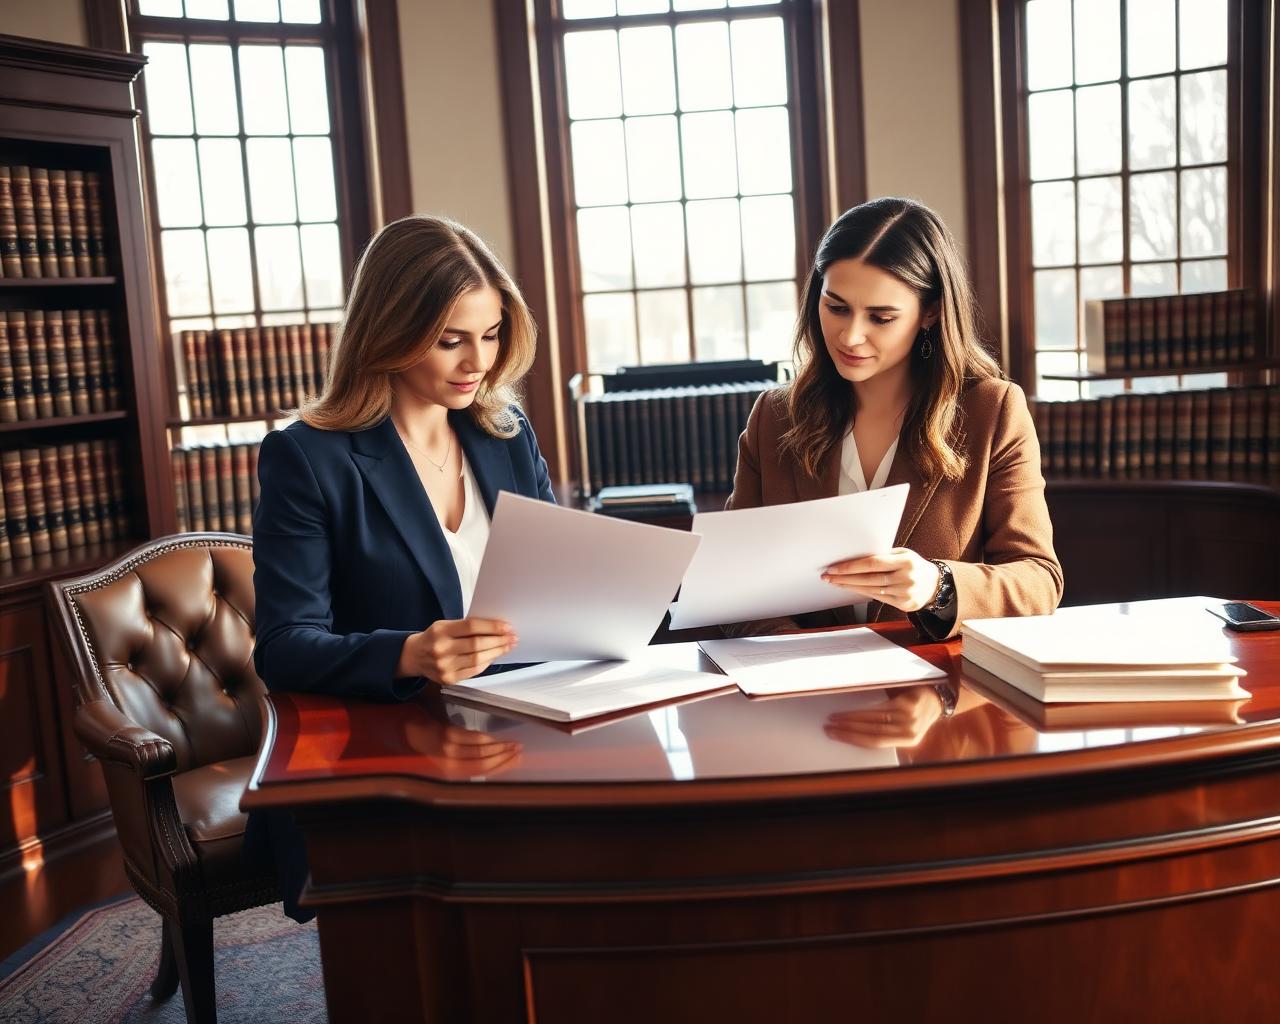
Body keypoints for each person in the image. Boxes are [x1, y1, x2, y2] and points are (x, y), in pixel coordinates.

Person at [248, 214, 554, 920]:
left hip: (526, 719)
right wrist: (410, 652)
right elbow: (285, 646)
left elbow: (551, 577)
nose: (477, 362)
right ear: (390, 331)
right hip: (392, 749)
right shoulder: (309, 458)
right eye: (450, 340)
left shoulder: (506, 434)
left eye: (491, 334)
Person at [727, 197, 1062, 640]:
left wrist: (937, 586)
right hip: (794, 678)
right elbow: (732, 580)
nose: (851, 336)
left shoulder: (992, 411)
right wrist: (795, 651)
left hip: (938, 680)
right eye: (836, 307)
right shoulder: (773, 417)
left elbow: (1038, 581)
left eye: (881, 317)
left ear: (931, 312)